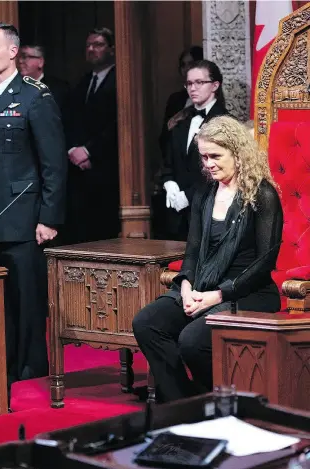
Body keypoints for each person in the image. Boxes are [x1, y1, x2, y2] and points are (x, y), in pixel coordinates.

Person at [133, 115, 283, 404]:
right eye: (204, 157)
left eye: (215, 156)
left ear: (237, 154)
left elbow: (264, 263)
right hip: (201, 285)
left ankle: (226, 398)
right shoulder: (204, 193)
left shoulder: (262, 195)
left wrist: (217, 295)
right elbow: (192, 251)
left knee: (192, 340)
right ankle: (183, 402)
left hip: (249, 292)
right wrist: (187, 287)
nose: (208, 164)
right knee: (147, 322)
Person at [0, 22, 67, 403]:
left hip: (21, 217)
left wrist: (49, 217)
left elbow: (53, 163)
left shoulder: (35, 97)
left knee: (26, 303)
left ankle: (29, 373)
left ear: (12, 53)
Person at [161, 60, 229, 240]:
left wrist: (189, 196)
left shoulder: (225, 122)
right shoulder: (179, 121)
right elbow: (169, 162)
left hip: (208, 212)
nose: (193, 88)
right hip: (177, 217)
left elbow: (224, 172)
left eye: (199, 82)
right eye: (189, 83)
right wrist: (169, 183)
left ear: (215, 85)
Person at [66, 27, 119, 244]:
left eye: (98, 44)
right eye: (88, 45)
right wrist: (73, 150)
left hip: (107, 169)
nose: (91, 49)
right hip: (79, 171)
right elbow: (70, 119)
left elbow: (119, 124)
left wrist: (89, 151)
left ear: (112, 49)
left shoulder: (120, 81)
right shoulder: (83, 81)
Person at [159, 45, 204, 157]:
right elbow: (164, 136)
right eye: (183, 65)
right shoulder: (175, 99)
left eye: (190, 64)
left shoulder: (209, 95)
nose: (186, 68)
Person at [17, 44, 70, 133]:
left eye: (25, 57)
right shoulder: (14, 88)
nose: (20, 61)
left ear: (40, 62)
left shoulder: (58, 89)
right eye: (19, 57)